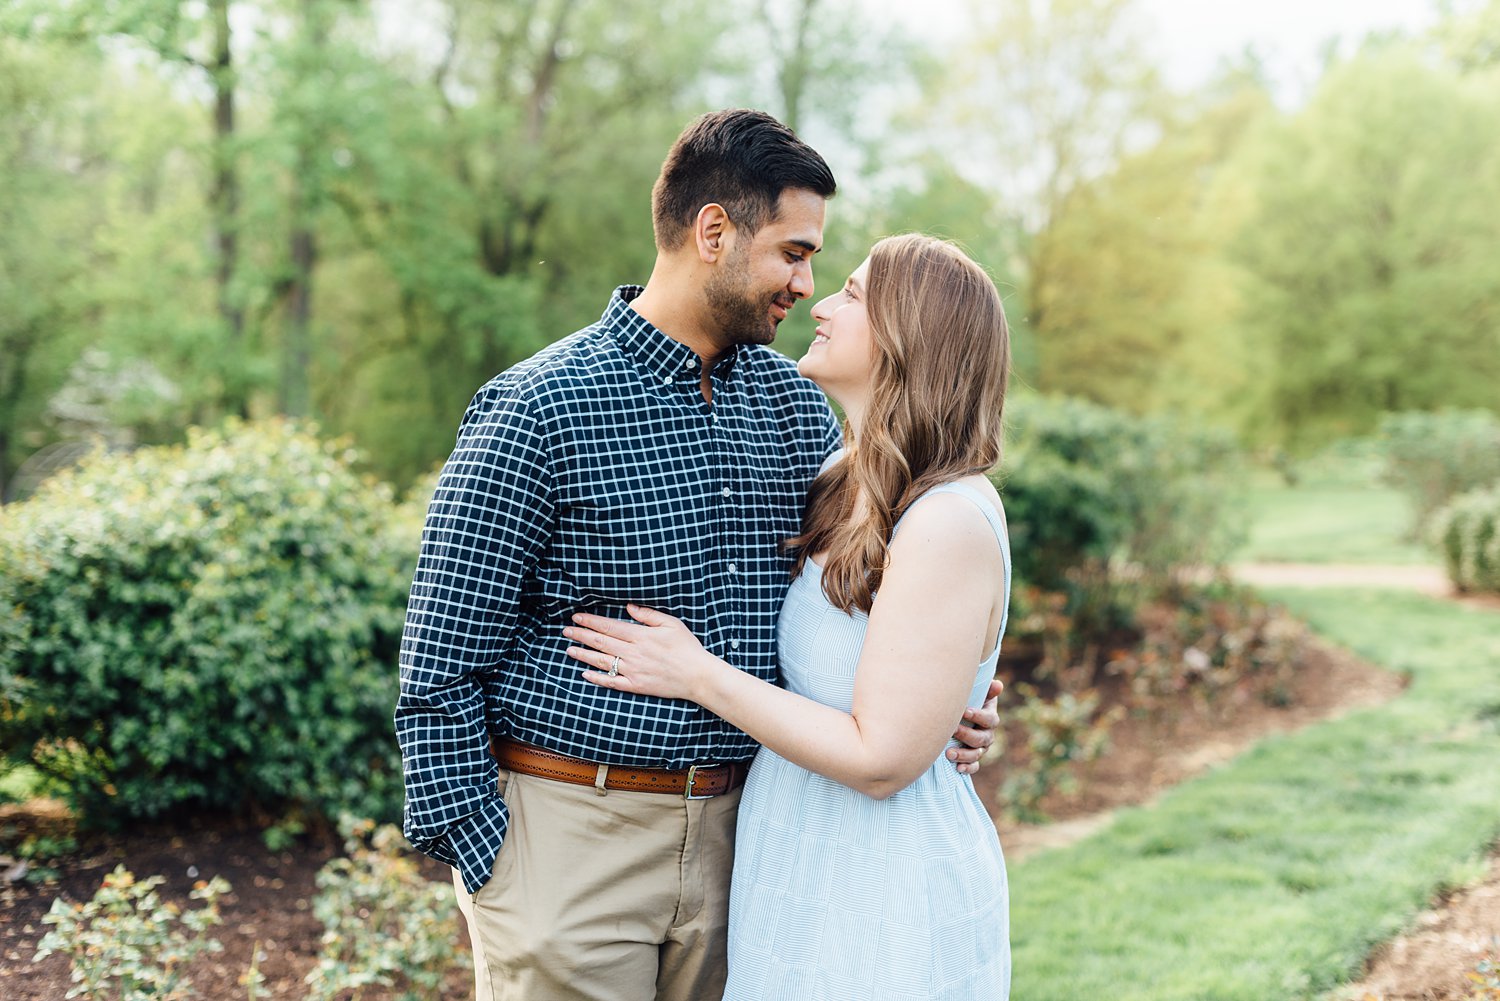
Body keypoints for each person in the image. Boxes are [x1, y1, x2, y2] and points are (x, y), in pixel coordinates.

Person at [394, 110, 1002, 1001]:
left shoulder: (799, 418)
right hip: (570, 842)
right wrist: (498, 862)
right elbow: (440, 659)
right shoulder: (538, 407)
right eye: (793, 253)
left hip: (752, 845)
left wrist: (953, 696)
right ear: (713, 230)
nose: (805, 283)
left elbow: (879, 596)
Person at [563, 233, 1014, 1000]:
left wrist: (695, 673)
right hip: (796, 860)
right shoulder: (844, 475)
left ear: (908, 337)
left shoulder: (948, 519)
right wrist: (951, 709)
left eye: (853, 294)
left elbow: (880, 759)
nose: (822, 303)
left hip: (885, 882)